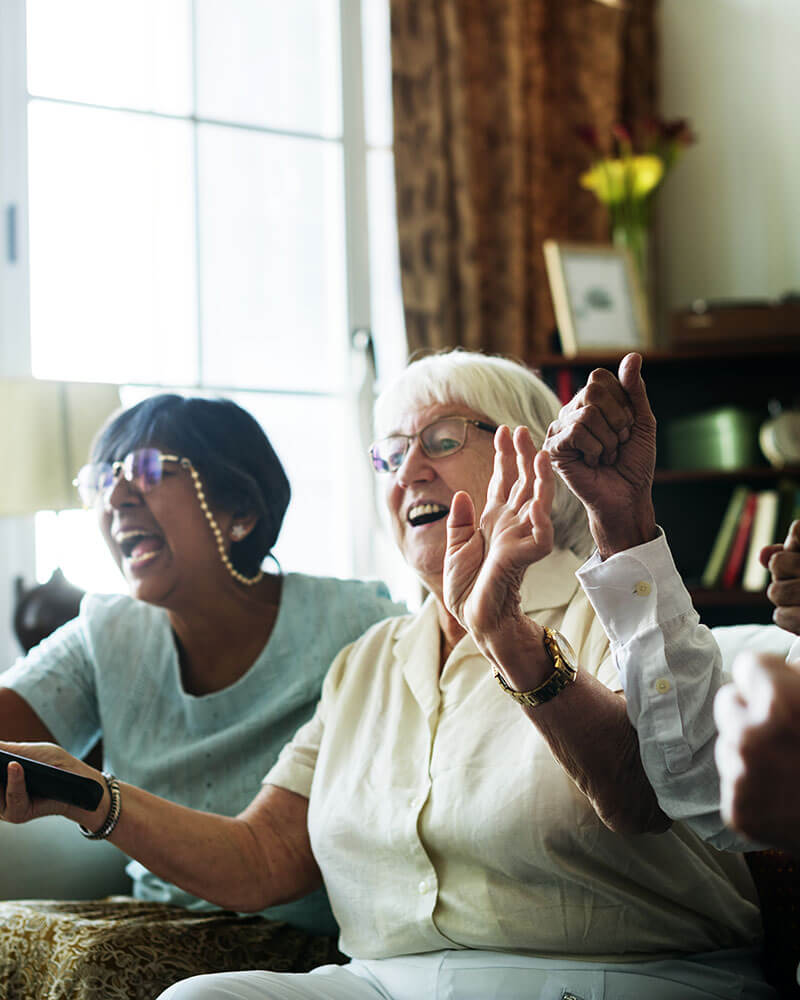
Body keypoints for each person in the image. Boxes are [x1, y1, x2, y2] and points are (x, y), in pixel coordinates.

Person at [0, 352, 775, 1000]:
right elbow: (263, 856)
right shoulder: (367, 660)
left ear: (538, 458)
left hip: (609, 976)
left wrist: (503, 633)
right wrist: (90, 794)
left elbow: (642, 796)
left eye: (439, 439)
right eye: (391, 453)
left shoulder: (617, 609)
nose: (408, 470)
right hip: (387, 982)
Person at [0, 395, 405, 936]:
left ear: (240, 512)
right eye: (102, 479)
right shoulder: (108, 629)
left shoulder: (358, 626)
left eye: (146, 470)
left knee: (89, 960)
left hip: (304, 940)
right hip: (155, 924)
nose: (116, 497)